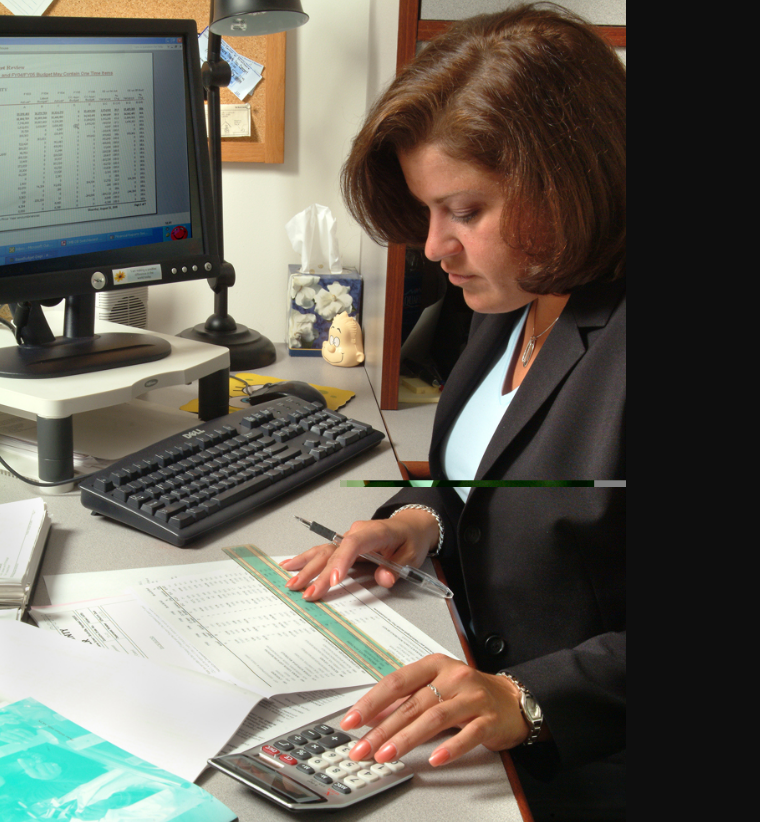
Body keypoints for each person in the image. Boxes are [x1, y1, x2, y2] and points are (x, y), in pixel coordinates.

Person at [281, 5, 625, 819]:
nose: (434, 248)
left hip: (593, 766)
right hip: (465, 716)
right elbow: (495, 485)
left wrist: (528, 698)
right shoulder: (514, 295)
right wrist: (420, 524)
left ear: (569, 187)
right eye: (429, 212)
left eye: (465, 212)